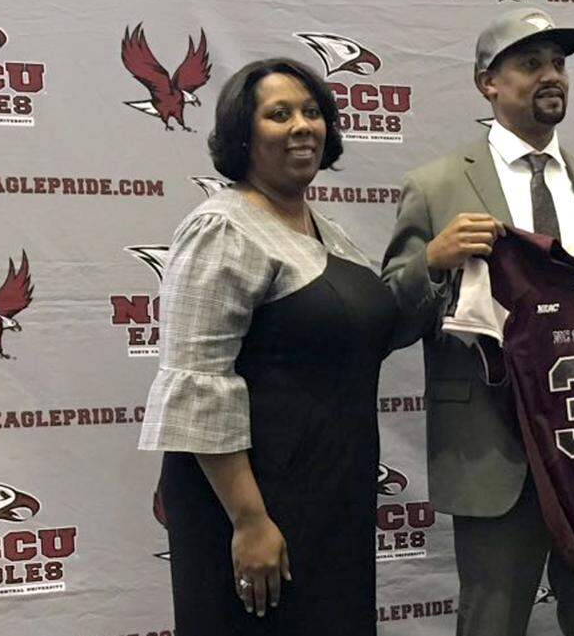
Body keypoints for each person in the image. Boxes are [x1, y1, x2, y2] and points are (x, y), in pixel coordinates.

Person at [381, 8, 574, 636]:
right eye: (530, 64)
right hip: (496, 455)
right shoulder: (436, 184)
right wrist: (434, 262)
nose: (551, 76)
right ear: (486, 83)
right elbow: (388, 319)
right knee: (491, 622)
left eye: (559, 64)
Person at [139, 58, 405, 635]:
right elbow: (198, 382)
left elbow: (358, 339)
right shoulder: (222, 229)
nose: (302, 126)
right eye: (278, 114)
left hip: (331, 495)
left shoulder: (325, 231)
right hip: (254, 504)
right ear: (243, 133)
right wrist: (249, 520)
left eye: (312, 112)